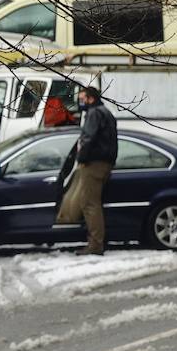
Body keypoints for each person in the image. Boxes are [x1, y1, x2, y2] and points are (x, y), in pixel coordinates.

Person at [54, 86, 118, 255]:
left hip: (94, 163)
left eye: (82, 99)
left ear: (90, 98)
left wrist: (81, 157)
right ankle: (96, 242)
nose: (80, 102)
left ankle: (95, 245)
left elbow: (88, 138)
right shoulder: (106, 112)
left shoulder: (94, 113)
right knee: (90, 202)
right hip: (105, 162)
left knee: (89, 204)